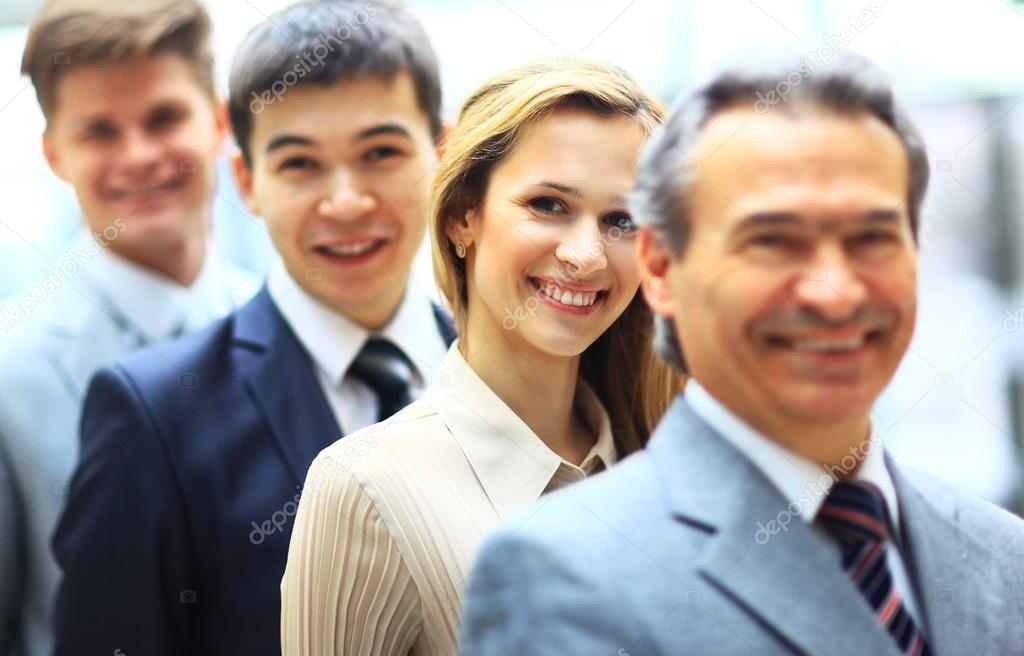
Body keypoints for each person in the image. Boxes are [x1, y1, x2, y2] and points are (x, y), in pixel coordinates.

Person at [459, 54, 1024, 655]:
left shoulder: (1003, 554)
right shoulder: (563, 576)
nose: (833, 292)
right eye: (773, 240)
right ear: (661, 267)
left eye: (872, 238)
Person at [51, 2, 453, 654]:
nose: (346, 201)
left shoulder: (503, 372)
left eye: (380, 151)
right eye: (300, 163)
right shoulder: (153, 415)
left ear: (442, 151)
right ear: (246, 180)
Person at [280, 56, 682, 656]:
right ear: (462, 217)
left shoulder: (666, 462)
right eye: (548, 204)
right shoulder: (365, 488)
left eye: (621, 219)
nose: (586, 255)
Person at [0, 1, 258, 653]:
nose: (139, 156)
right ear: (55, 154)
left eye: (164, 118)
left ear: (220, 121)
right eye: (100, 131)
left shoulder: (291, 327)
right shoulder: (9, 373)